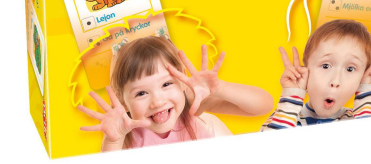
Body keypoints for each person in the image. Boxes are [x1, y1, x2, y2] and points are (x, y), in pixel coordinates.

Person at [77, 36, 273, 150]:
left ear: (182, 80)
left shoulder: (193, 106)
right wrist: (113, 140)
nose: (157, 101)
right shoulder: (125, 135)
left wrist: (220, 88)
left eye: (166, 84)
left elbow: (263, 106)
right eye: (141, 93)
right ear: (122, 100)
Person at [261, 19, 371, 130]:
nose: (336, 81)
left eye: (350, 69)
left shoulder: (357, 119)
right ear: (306, 69)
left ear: (362, 78)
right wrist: (292, 95)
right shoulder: (284, 115)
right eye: (326, 66)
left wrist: (368, 92)